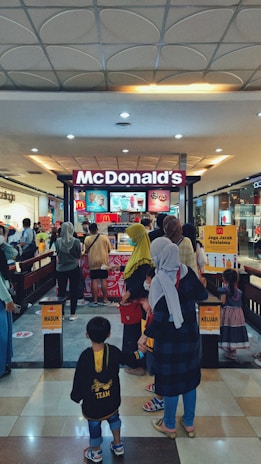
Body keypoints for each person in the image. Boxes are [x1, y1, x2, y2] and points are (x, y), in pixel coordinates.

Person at [138, 237, 208, 439]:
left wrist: (145, 335)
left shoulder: (159, 280)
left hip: (169, 341)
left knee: (169, 383)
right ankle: (189, 423)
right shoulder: (187, 272)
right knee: (189, 380)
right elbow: (202, 296)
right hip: (190, 336)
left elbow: (159, 318)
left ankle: (169, 425)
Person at [70, 316, 145, 463]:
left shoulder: (85, 357)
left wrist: (76, 396)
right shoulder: (113, 351)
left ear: (87, 335)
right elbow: (129, 358)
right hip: (112, 399)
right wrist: (141, 352)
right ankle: (118, 444)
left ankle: (96, 452)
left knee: (94, 424)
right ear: (108, 334)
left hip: (92, 403)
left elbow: (79, 379)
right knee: (114, 418)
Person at [114, 223, 153, 376]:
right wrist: (121, 268)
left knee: (135, 334)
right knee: (132, 332)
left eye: (132, 237)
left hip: (139, 302)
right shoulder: (140, 253)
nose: (130, 240)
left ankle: (139, 365)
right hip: (135, 302)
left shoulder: (144, 258)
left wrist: (129, 293)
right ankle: (134, 362)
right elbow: (135, 271)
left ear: (138, 238)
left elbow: (142, 281)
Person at [218, 269, 249, 361]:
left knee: (228, 330)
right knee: (235, 331)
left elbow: (222, 301)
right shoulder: (239, 291)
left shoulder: (224, 290)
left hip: (228, 314)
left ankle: (229, 350)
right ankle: (233, 352)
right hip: (238, 314)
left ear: (224, 279)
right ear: (236, 280)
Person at [55, 222, 82, 321]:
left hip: (61, 269)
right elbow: (78, 255)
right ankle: (72, 313)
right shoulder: (76, 241)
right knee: (73, 291)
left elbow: (57, 253)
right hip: (73, 268)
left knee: (61, 291)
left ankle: (61, 314)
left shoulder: (58, 241)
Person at [82, 223, 112, 307]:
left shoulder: (87, 239)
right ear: (97, 229)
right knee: (103, 280)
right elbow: (109, 249)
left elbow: (86, 251)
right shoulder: (104, 237)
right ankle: (105, 300)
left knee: (94, 281)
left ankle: (95, 301)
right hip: (103, 262)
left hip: (93, 262)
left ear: (89, 230)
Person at [0, 247, 16, 378]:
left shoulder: (2, 250)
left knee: (6, 331)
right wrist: (7, 298)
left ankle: (4, 363)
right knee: (2, 334)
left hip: (3, 296)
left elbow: (13, 253)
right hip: (2, 298)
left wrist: (3, 243)